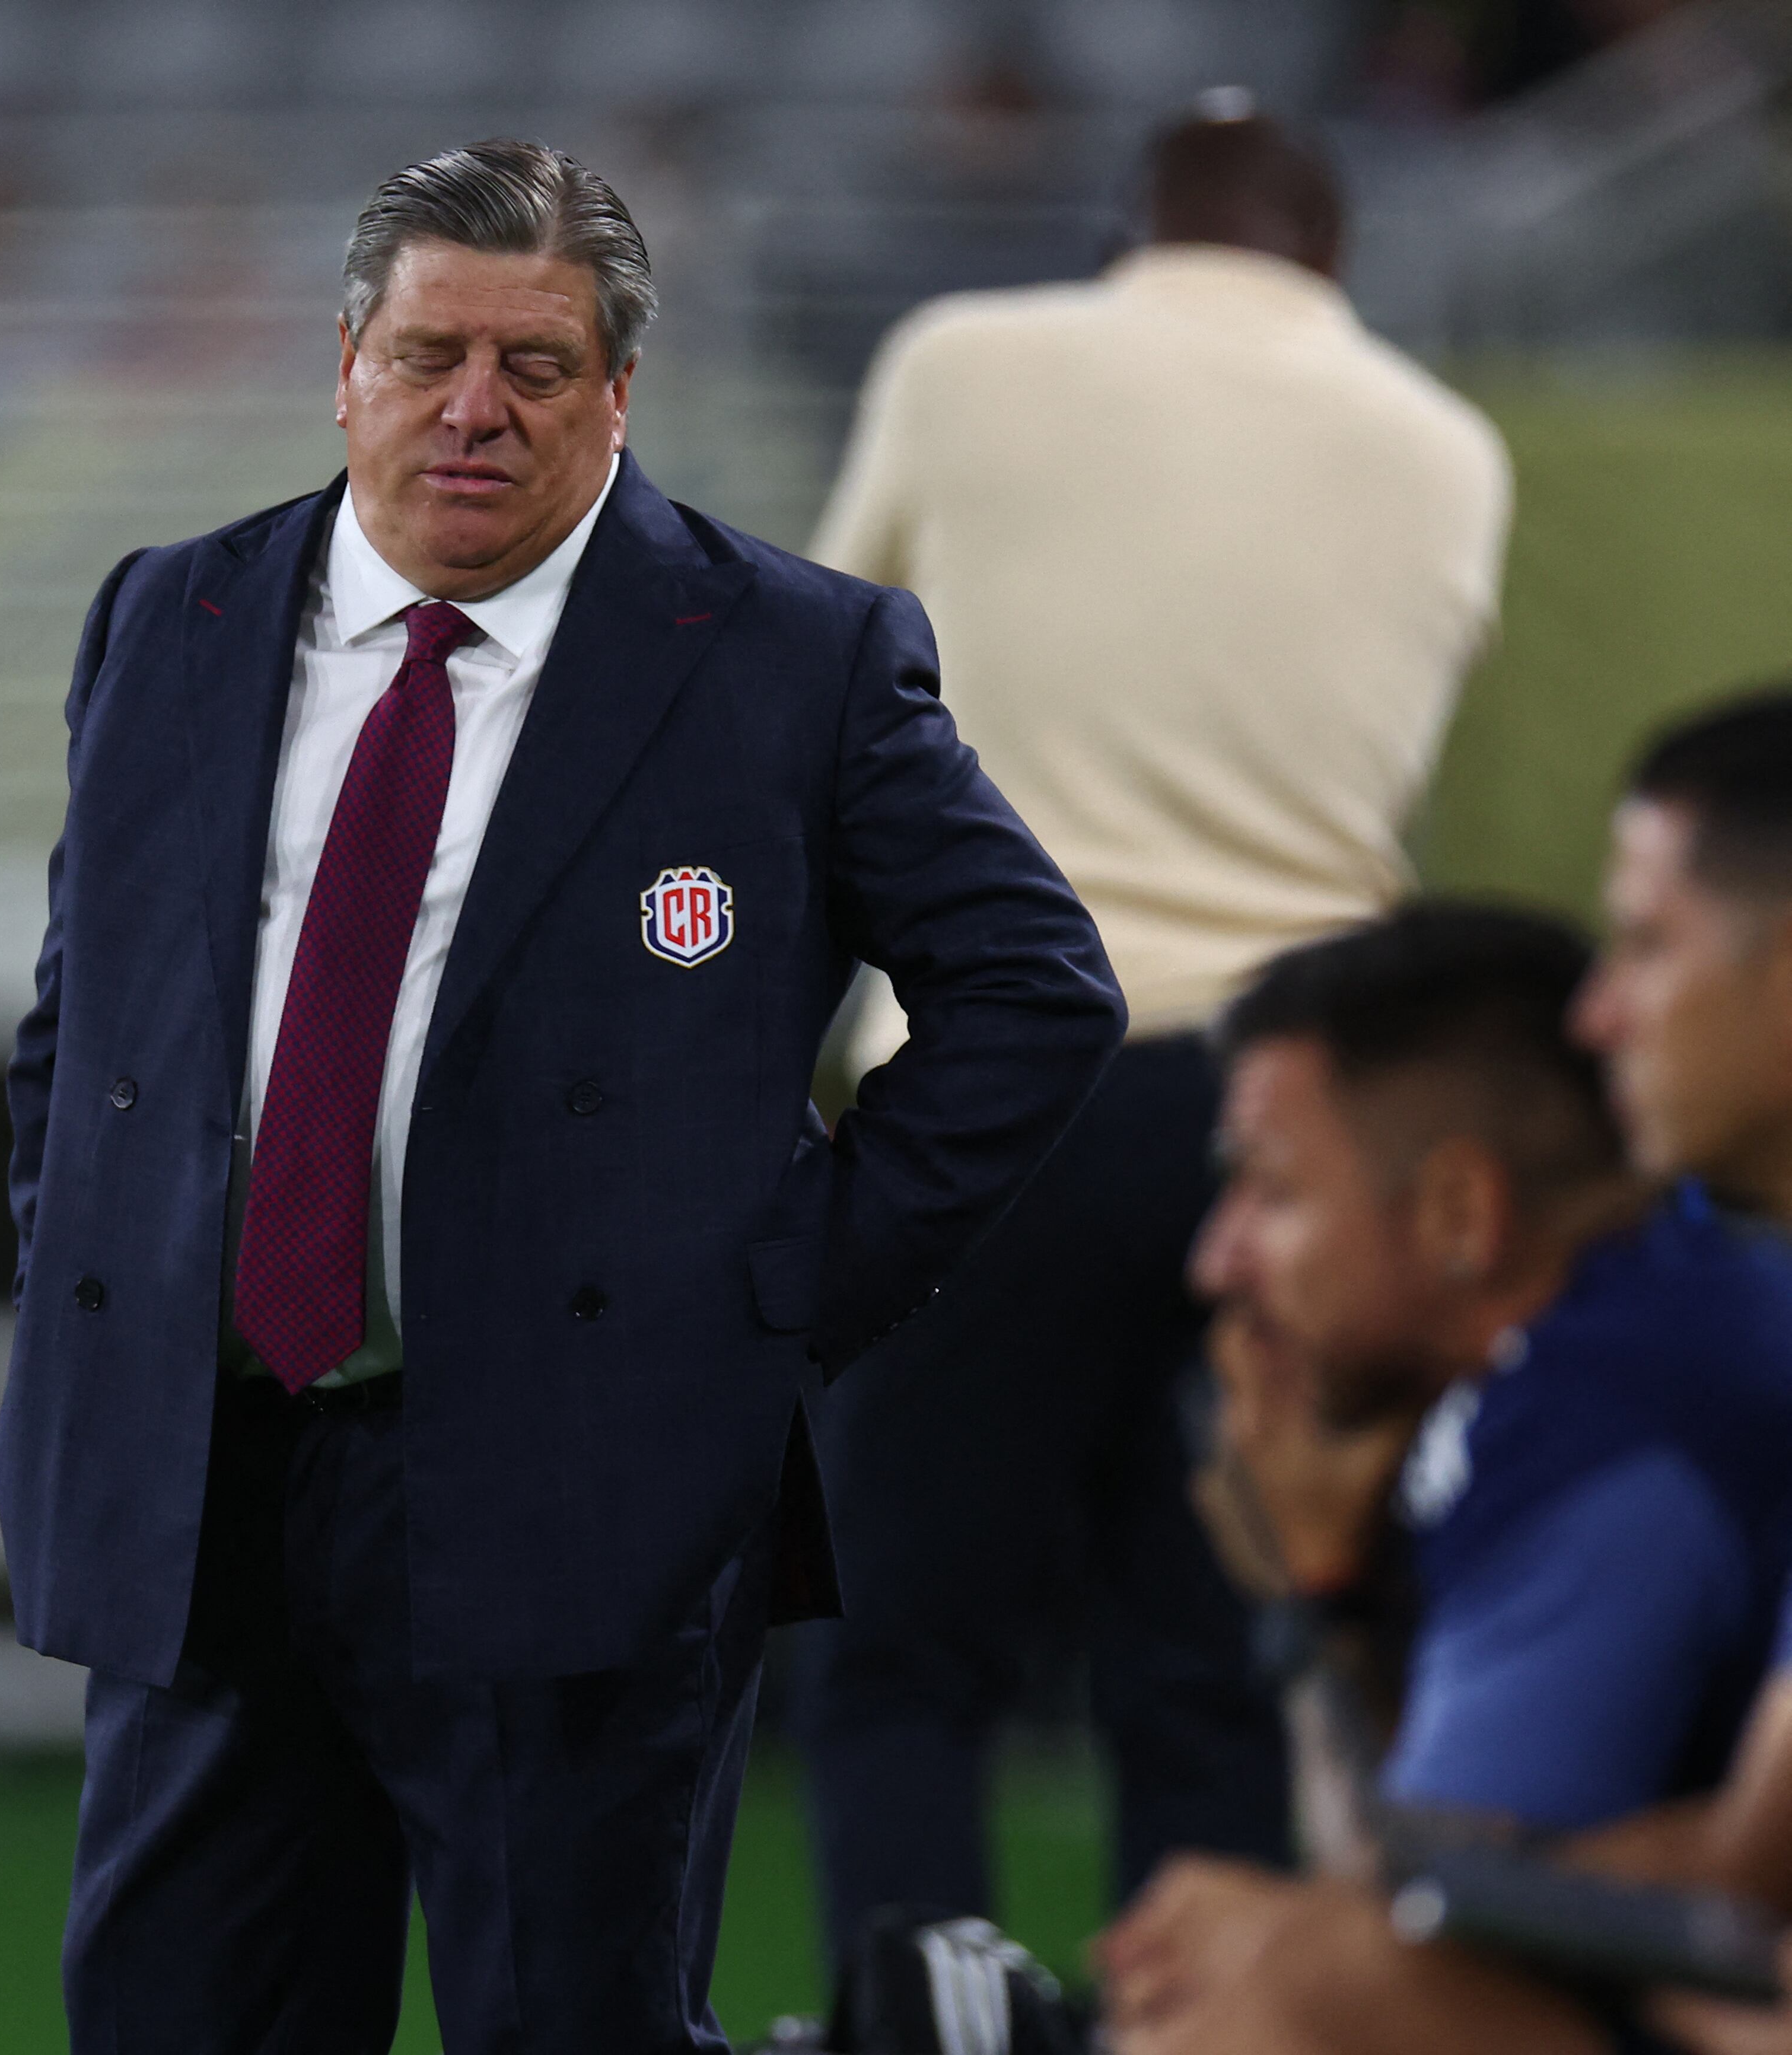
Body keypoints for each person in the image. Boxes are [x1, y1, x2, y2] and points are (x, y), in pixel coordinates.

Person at [0, 138, 1125, 2054]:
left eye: (535, 365)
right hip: (213, 1491)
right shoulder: (165, 620)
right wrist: (105, 1263)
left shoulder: (793, 660)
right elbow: (78, 1023)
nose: (475, 410)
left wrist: (780, 1299)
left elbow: (1037, 989)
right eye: (433, 353)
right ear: (344, 357)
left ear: (618, 393)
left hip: (578, 1503)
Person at [788, 95, 1514, 1953]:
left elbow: (822, 702)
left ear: (1130, 236)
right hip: (1294, 1122)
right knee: (1207, 1674)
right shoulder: (1447, 451)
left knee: (901, 1660)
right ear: (1330, 264)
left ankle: (913, 2019)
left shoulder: (964, 364)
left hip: (992, 1092)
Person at [1094, 895, 1792, 2055]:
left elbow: (1413, 1914)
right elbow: (1449, 1895)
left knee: (1270, 1993)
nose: (1214, 1260)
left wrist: (1309, 1610)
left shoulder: (1597, 1406)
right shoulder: (1647, 1322)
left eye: (1271, 1190)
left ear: (1461, 1209)